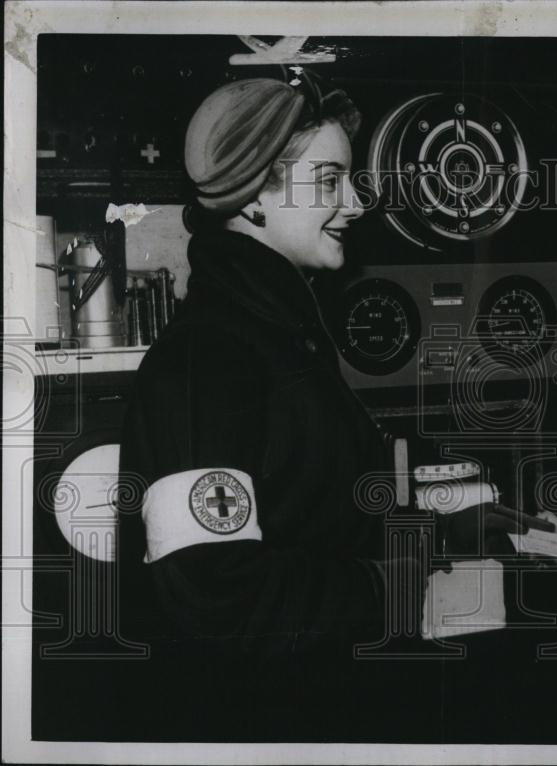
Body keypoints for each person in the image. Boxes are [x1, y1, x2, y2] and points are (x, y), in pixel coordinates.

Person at [115, 77, 432, 738]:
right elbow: (215, 589)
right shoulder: (206, 361)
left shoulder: (278, 338)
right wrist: (389, 590)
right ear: (256, 194)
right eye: (329, 180)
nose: (355, 202)